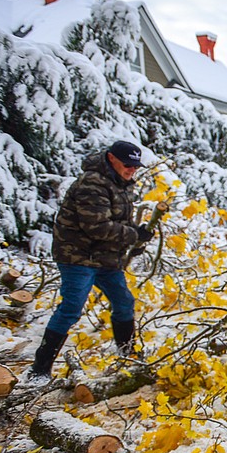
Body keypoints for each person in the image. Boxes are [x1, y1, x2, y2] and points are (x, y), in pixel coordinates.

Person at [29, 140, 154, 379]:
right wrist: (133, 235)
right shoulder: (92, 183)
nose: (132, 170)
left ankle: (128, 355)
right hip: (77, 256)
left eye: (136, 166)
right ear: (111, 158)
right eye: (127, 164)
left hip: (104, 258)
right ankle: (39, 369)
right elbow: (96, 226)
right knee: (71, 308)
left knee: (124, 302)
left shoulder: (122, 183)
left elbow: (119, 221)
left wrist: (136, 236)